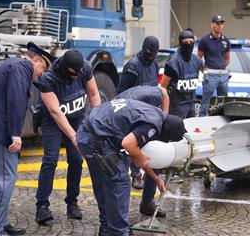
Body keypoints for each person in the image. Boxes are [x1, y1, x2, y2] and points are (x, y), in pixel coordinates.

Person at [77, 99, 186, 235]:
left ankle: (106, 228)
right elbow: (128, 144)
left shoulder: (156, 113)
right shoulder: (152, 126)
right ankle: (119, 231)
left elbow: (137, 155)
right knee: (120, 182)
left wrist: (156, 179)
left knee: (104, 182)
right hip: (98, 140)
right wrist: (140, 158)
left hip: (88, 132)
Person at [0, 42, 53, 236]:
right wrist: (15, 134)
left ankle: (0, 222)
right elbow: (16, 99)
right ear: (35, 60)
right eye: (42, 68)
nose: (41, 74)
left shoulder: (12, 65)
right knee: (5, 179)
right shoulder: (22, 68)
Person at [33, 50, 101, 224]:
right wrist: (74, 137)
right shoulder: (48, 79)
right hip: (52, 121)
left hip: (77, 118)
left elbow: (93, 94)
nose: (76, 77)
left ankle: (72, 202)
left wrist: (96, 123)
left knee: (77, 159)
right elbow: (55, 112)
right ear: (65, 68)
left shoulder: (84, 67)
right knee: (50, 159)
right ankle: (42, 206)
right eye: (73, 74)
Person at [115, 85, 169, 218]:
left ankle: (147, 204)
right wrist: (140, 156)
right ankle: (117, 220)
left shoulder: (156, 97)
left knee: (155, 155)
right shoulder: (141, 115)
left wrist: (165, 114)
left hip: (132, 115)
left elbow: (164, 93)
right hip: (118, 125)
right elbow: (131, 149)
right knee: (119, 174)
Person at [116, 36, 160, 190]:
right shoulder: (132, 67)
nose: (151, 57)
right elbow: (121, 91)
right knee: (134, 143)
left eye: (154, 54)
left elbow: (155, 85)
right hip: (134, 110)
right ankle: (136, 174)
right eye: (148, 53)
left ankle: (151, 170)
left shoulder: (154, 63)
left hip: (150, 109)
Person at [161, 30, 204, 119]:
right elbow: (163, 87)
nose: (189, 44)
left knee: (191, 130)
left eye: (191, 42)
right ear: (180, 43)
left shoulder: (197, 60)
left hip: (191, 104)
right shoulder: (173, 62)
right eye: (186, 42)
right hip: (176, 106)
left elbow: (206, 71)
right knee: (176, 131)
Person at [198, 14, 231, 116]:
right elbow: (198, 57)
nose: (219, 26)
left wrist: (221, 67)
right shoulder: (205, 40)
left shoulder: (226, 40)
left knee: (224, 101)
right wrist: (203, 70)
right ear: (212, 25)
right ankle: (201, 123)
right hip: (210, 75)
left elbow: (227, 58)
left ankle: (222, 121)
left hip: (223, 75)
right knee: (206, 102)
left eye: (221, 23)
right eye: (217, 23)